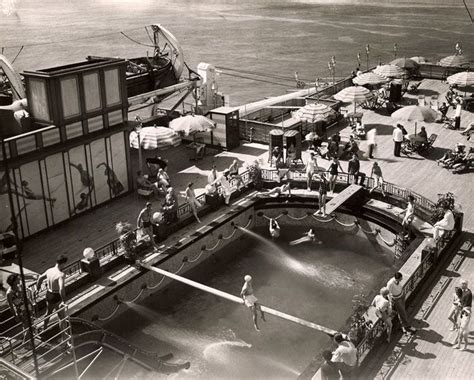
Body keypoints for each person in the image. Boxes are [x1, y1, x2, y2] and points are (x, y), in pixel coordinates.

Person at [36, 255, 68, 334]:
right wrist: (64, 301)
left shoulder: (49, 270)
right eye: (65, 264)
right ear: (62, 263)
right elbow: (61, 289)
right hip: (56, 296)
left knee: (48, 312)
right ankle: (65, 335)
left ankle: (44, 328)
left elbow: (40, 278)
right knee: (61, 317)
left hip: (49, 294)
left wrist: (37, 288)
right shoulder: (61, 275)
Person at [6, 274, 34, 343]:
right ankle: (25, 342)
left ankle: (28, 341)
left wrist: (31, 303)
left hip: (28, 307)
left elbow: (25, 297)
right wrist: (15, 316)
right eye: (17, 279)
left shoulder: (20, 286)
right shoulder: (9, 293)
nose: (19, 280)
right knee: (29, 326)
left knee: (28, 325)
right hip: (21, 311)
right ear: (14, 281)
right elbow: (11, 306)